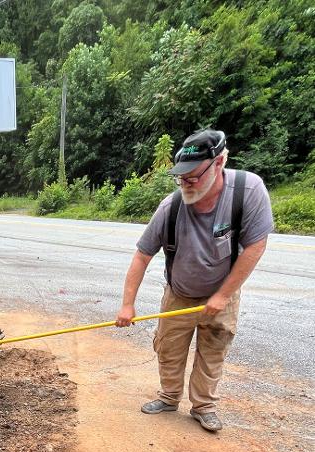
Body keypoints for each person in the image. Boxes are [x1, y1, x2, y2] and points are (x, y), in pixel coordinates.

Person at [116, 128, 273, 432]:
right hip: (180, 293)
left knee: (213, 350)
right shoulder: (171, 207)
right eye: (181, 178)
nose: (185, 184)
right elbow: (141, 256)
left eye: (193, 177)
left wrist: (223, 296)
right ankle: (169, 397)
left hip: (222, 292)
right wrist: (127, 305)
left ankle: (203, 406)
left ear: (218, 163)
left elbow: (256, 245)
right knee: (168, 349)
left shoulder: (248, 191)